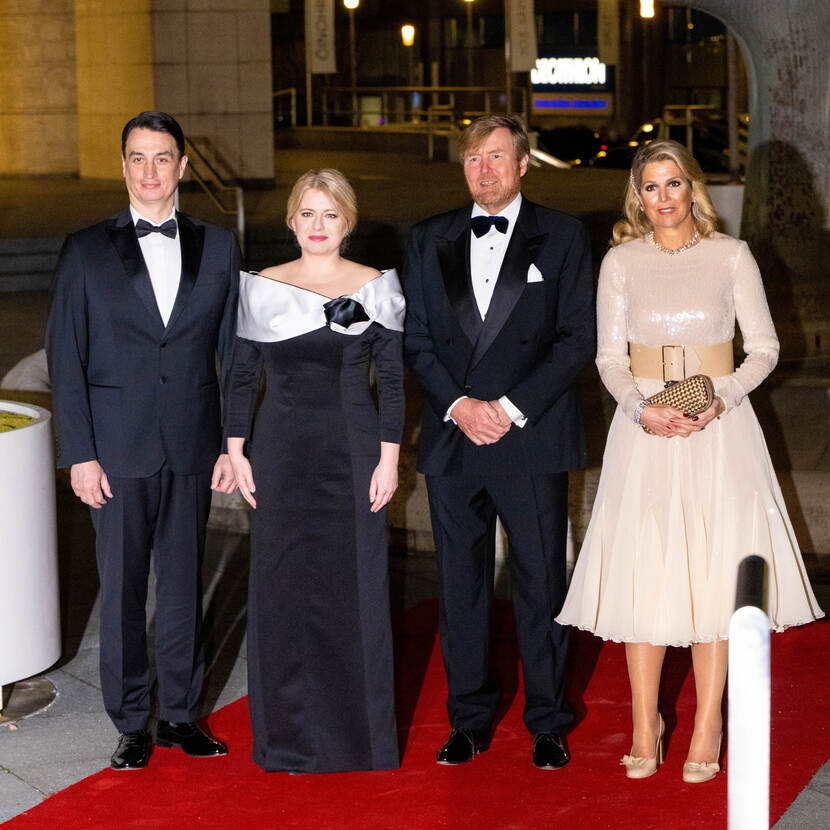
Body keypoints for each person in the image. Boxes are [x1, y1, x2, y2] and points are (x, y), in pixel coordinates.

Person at [556, 139, 824, 782]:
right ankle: (646, 722)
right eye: (651, 187)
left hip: (719, 429)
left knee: (713, 572)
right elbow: (608, 358)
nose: (664, 198)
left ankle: (707, 723)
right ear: (637, 197)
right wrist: (641, 409)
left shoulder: (732, 257)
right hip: (643, 428)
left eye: (674, 183)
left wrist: (721, 399)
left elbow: (762, 348)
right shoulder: (620, 262)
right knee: (645, 573)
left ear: (692, 188)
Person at [45, 111, 240, 770]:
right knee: (124, 592)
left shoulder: (219, 247)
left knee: (186, 587)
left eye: (162, 158)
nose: (150, 171)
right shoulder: (85, 250)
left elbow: (233, 353)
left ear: (183, 166)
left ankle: (181, 715)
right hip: (114, 451)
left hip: (192, 446)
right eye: (137, 158)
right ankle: (130, 720)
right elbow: (65, 358)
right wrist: (78, 453)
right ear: (123, 165)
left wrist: (230, 442)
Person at [403, 114, 596, 769]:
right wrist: (459, 406)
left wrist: (507, 409)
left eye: (495, 158)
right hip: (455, 438)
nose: (483, 170)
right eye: (472, 160)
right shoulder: (429, 238)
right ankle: (469, 720)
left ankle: (547, 720)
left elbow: (578, 340)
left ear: (521, 164)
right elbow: (418, 339)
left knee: (542, 583)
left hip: (530, 434)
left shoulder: (564, 236)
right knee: (460, 589)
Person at [225, 169, 405, 773]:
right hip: (279, 449)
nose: (318, 226)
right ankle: (285, 739)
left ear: (348, 221)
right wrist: (235, 448)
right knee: (279, 588)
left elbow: (395, 381)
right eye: (307, 213)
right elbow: (242, 374)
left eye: (330, 214)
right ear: (291, 221)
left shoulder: (378, 287)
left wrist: (389, 459)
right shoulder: (261, 286)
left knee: (352, 585)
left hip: (353, 449)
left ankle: (360, 741)